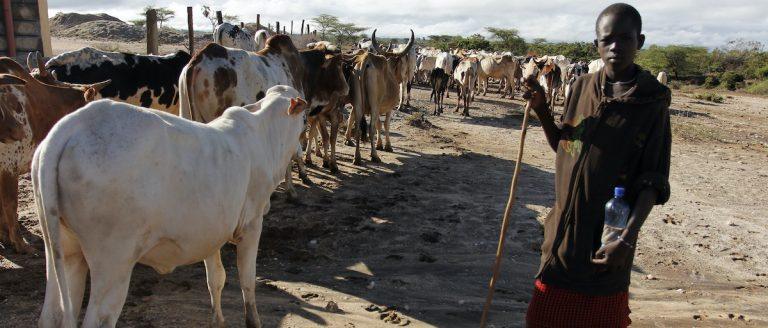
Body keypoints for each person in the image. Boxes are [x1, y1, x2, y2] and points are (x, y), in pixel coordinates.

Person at [524, 3, 672, 327]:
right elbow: (566, 146)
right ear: (597, 45)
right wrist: (542, 111)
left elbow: (653, 179)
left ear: (640, 41)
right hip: (561, 237)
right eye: (608, 40)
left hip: (608, 242)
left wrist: (627, 239)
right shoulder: (581, 87)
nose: (616, 47)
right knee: (543, 318)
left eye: (625, 38)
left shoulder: (652, 100)